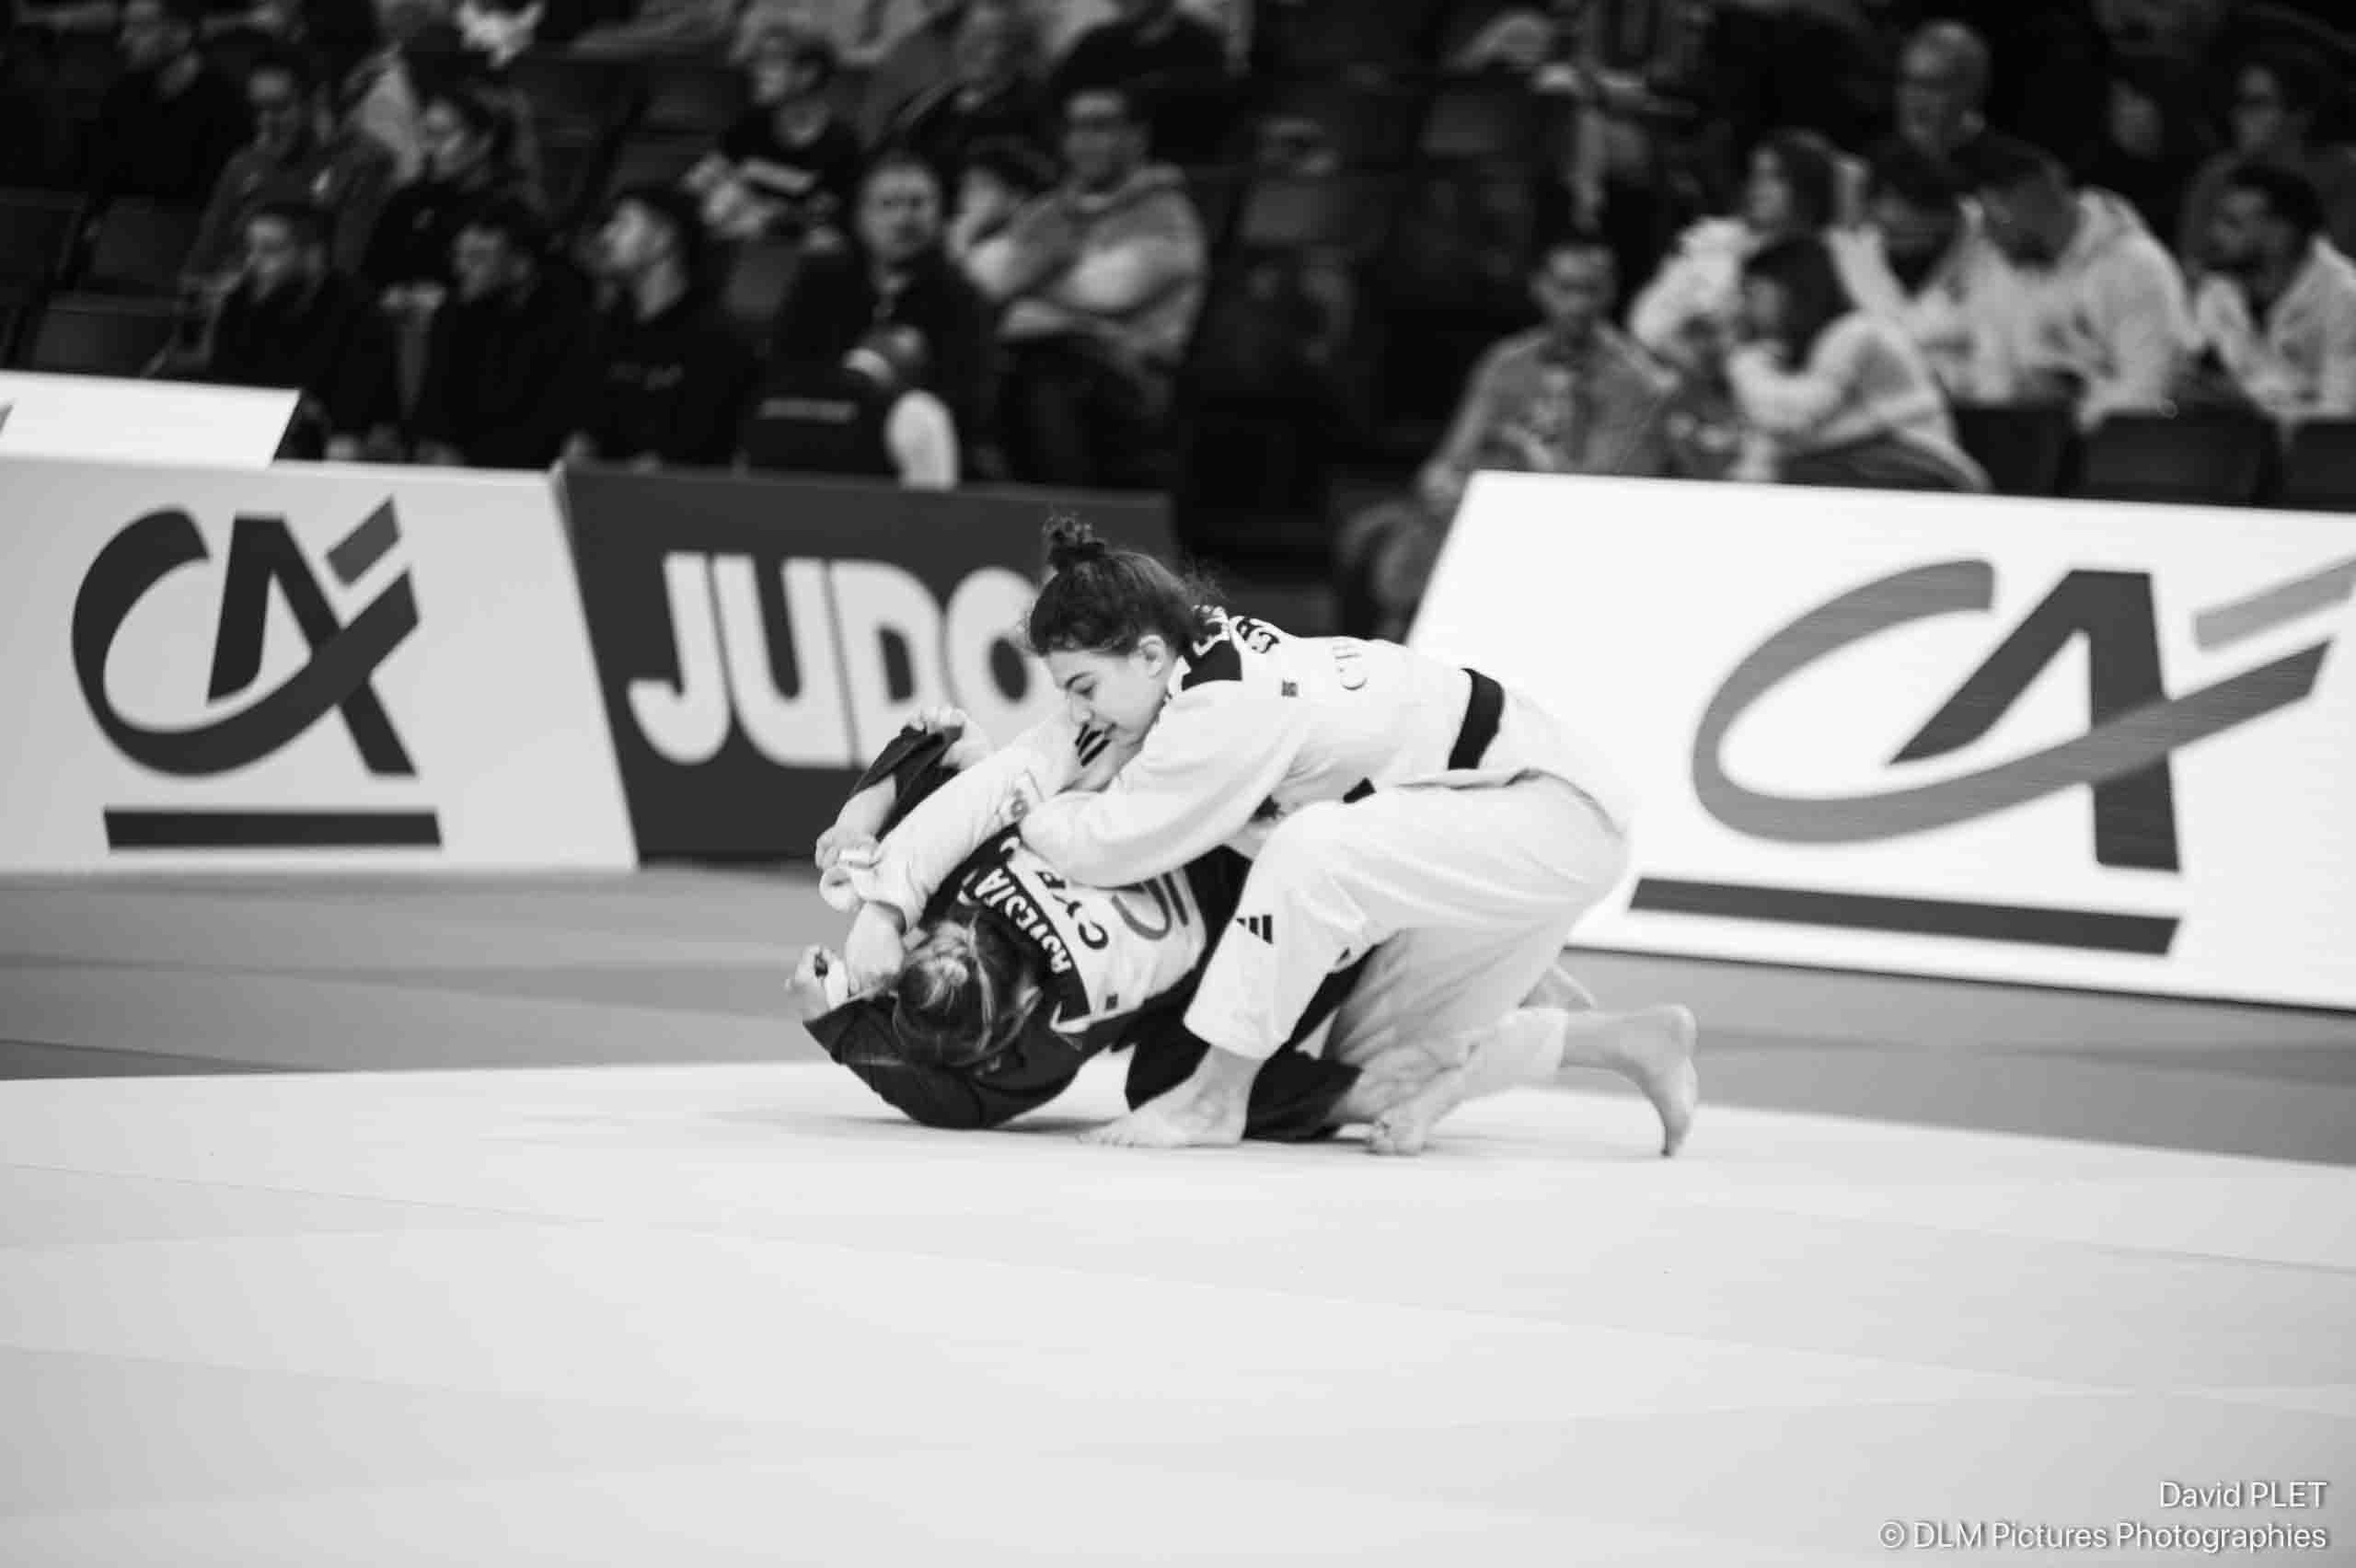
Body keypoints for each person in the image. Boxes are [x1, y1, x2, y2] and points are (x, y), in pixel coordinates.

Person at [837, 519, 1691, 1152]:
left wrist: (1037, 809)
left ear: (1145, 654)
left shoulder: (1228, 705)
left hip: (1547, 812)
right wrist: (886, 907)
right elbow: (1016, 774)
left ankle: (1215, 1098)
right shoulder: (1165, 674)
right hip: (1461, 835)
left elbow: (1106, 846)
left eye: (1084, 686)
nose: (1077, 710)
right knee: (1371, 1055)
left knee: (1308, 853)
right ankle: (1632, 1040)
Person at [804, 709, 1698, 1154]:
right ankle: (1524, 1018)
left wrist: (859, 826)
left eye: (920, 946)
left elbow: (941, 735)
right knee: (1176, 1076)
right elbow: (947, 1103)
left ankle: (1498, 1022)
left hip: (1270, 853)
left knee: (1215, 1067)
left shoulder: (994, 977)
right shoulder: (1009, 1011)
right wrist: (836, 1008)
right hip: (1270, 901)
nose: (931, 944)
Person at [1725, 234, 1988, 492]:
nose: (1744, 307)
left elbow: (1790, 420)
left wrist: (1743, 362)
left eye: (1752, 293)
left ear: (1789, 289)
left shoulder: (1859, 332)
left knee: (1797, 478)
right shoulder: (1800, 348)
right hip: (1870, 463)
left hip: (1920, 462)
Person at [1962, 133, 2190, 430]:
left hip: (2120, 445)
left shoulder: (2136, 265)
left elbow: (2150, 391)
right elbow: (1990, 374)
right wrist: (2016, 411)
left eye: (1994, 213)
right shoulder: (2003, 265)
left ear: (2033, 196)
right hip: (2026, 442)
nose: (1986, 232)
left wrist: (2066, 412)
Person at [2182, 162, 2356, 421]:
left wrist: (2255, 412)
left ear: (2280, 235)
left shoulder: (2345, 298)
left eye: (2232, 223)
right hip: (2230, 442)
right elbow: (2198, 382)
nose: (2214, 234)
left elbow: (2340, 421)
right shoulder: (2218, 289)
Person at [739, 325, 959, 487]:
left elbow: (739, 475)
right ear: (912, 374)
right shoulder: (913, 409)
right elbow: (934, 505)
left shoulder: (773, 398)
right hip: (869, 534)